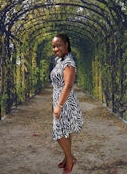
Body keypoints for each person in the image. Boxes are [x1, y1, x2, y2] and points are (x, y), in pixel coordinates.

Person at [50, 33, 83, 173]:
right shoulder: (60, 61)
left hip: (65, 101)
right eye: (53, 47)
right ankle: (67, 157)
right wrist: (55, 102)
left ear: (66, 44)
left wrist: (60, 105)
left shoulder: (68, 63)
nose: (55, 49)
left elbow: (68, 85)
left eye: (58, 45)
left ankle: (70, 159)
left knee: (58, 132)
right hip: (59, 98)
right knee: (65, 130)